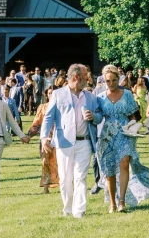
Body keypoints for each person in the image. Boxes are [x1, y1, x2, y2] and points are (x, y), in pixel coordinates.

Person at [40, 63, 103, 218]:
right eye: (85, 75)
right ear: (77, 77)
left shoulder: (90, 96)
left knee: (80, 177)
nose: (88, 78)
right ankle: (68, 208)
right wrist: (43, 138)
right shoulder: (58, 94)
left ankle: (79, 211)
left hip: (85, 142)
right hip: (64, 143)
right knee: (65, 179)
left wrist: (93, 117)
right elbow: (48, 118)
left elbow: (99, 115)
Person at [94, 66, 139, 213]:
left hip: (125, 133)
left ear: (118, 79)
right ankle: (112, 202)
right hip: (107, 135)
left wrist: (132, 127)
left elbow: (133, 114)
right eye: (108, 81)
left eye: (114, 80)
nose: (111, 83)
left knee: (124, 164)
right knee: (110, 170)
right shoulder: (100, 98)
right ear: (104, 80)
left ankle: (122, 201)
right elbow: (98, 117)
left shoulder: (127, 94)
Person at [28, 85, 60, 194]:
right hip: (46, 138)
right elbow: (36, 124)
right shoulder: (43, 107)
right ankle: (46, 188)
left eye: (53, 93)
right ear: (46, 94)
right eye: (49, 93)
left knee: (61, 162)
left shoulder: (63, 106)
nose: (51, 95)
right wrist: (29, 135)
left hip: (60, 137)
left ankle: (67, 185)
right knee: (45, 162)